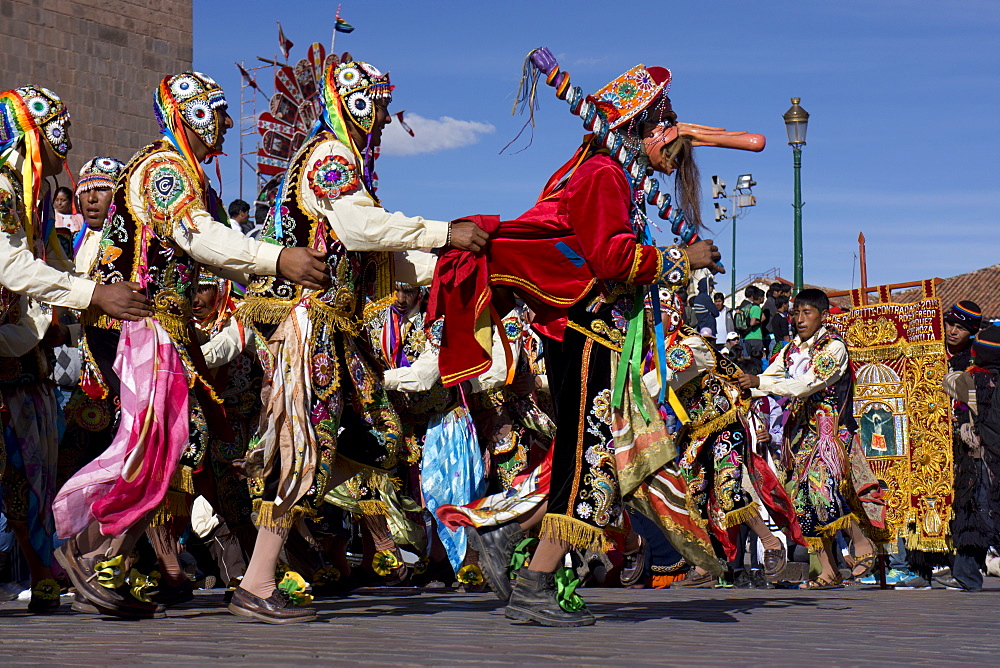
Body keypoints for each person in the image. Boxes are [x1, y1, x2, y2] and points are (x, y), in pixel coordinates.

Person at [432, 53, 761, 626]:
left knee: (586, 457)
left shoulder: (594, 172)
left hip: (588, 332)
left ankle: (508, 534)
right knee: (590, 461)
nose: (672, 153)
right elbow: (610, 257)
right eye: (668, 136)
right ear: (641, 130)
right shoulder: (604, 175)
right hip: (584, 331)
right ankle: (535, 579)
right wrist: (680, 260)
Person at [52, 71, 329, 619]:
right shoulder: (162, 169)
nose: (227, 121)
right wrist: (278, 261)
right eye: (218, 110)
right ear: (192, 112)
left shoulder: (192, 177)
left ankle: (104, 555)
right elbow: (199, 238)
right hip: (135, 326)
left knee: (172, 445)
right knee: (157, 442)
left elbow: (224, 249)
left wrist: (273, 284)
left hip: (162, 330)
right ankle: (88, 550)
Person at [233, 54, 487, 624]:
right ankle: (258, 578)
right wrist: (446, 233)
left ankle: (309, 532)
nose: (384, 117)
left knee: (379, 439)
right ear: (356, 101)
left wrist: (454, 261)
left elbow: (384, 263)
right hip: (313, 325)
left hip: (340, 330)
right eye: (378, 103)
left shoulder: (344, 160)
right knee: (306, 447)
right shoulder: (331, 155)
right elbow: (359, 228)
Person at [738, 288, 877, 589]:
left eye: (807, 313)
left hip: (829, 432)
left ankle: (860, 541)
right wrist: (745, 387)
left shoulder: (833, 348)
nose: (799, 320)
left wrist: (759, 382)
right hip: (799, 435)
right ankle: (828, 571)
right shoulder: (789, 350)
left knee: (821, 490)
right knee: (803, 502)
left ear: (823, 316)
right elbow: (772, 379)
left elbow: (805, 384)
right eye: (795, 313)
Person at [0, 86, 151, 323]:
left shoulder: (37, 195)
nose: (69, 145)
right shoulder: (3, 185)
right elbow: (12, 266)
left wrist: (106, 292)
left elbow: (58, 267)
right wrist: (97, 293)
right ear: (38, 134)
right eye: (63, 132)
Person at [739, 285, 766, 371]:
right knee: (756, 360)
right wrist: (759, 321)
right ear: (759, 298)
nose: (764, 299)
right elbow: (752, 322)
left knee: (749, 360)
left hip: (747, 337)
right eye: (763, 297)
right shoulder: (756, 308)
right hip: (755, 337)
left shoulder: (748, 307)